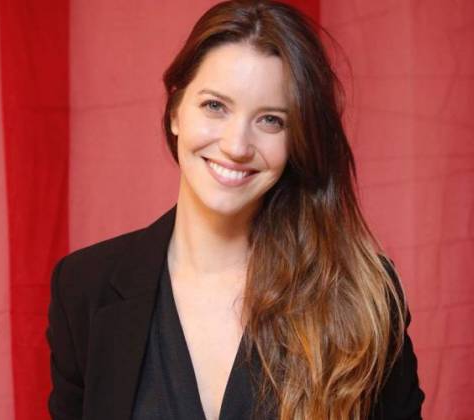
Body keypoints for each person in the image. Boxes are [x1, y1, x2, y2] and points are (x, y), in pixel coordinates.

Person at [46, 1, 425, 419]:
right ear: (175, 111)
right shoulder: (85, 288)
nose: (237, 146)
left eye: (271, 120)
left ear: (298, 139)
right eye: (215, 106)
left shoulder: (362, 294)